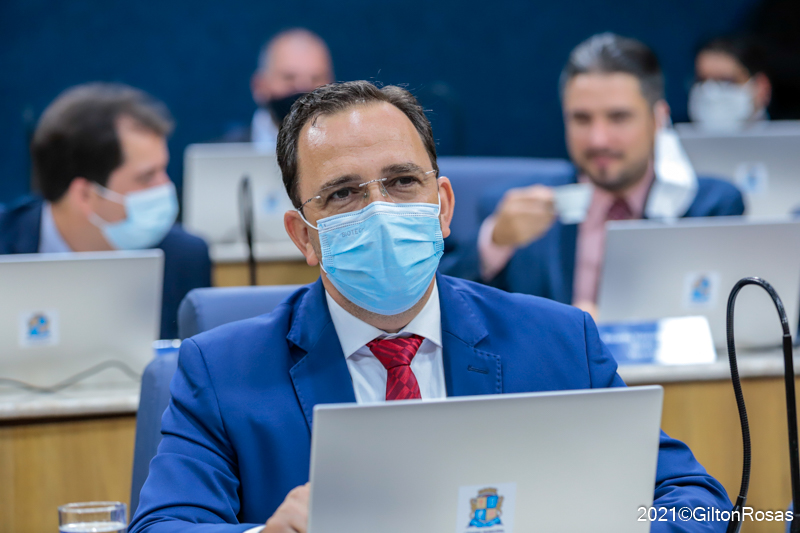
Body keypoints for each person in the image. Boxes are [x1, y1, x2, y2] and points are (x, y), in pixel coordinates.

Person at [130, 80, 729, 533]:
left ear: (442, 206)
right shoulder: (220, 371)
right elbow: (164, 526)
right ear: (303, 236)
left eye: (401, 182)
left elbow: (697, 503)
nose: (380, 210)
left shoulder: (560, 342)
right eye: (343, 193)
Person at [446, 33, 744, 317]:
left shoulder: (711, 210)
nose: (598, 139)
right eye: (582, 119)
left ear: (659, 119)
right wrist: (495, 241)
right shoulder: (509, 210)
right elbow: (444, 305)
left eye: (618, 117)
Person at [0, 83, 211, 339]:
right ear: (85, 195)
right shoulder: (5, 244)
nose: (165, 186)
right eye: (147, 177)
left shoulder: (184, 257)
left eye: (163, 170)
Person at [222, 28, 334, 147]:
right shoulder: (220, 154)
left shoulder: (346, 151)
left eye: (316, 79)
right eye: (289, 78)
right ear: (259, 86)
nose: (303, 87)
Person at [688, 35, 772, 131]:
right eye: (701, 80)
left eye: (726, 80)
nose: (710, 92)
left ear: (762, 87)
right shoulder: (675, 139)